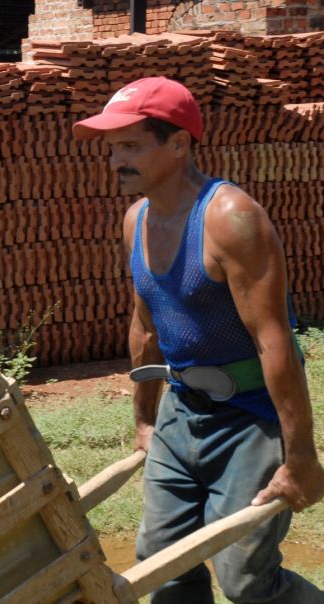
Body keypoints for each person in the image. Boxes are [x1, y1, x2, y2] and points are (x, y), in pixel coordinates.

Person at [72, 77, 324, 602]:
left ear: (180, 143)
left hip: (247, 420)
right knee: (163, 565)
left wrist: (300, 456)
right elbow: (146, 328)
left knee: (247, 579)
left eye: (132, 145)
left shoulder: (230, 218)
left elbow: (274, 342)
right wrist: (144, 420)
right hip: (180, 415)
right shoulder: (135, 219)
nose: (116, 160)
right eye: (113, 147)